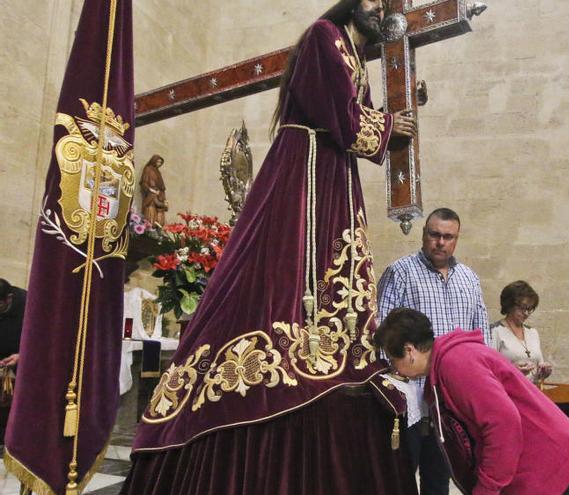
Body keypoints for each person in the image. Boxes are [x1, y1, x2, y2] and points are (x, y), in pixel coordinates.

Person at [122, 1, 419, 493]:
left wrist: (388, 116)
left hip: (331, 175)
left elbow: (348, 117)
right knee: (283, 268)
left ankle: (330, 348)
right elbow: (343, 121)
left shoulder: (356, 54)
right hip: (304, 172)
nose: (376, 7)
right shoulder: (325, 35)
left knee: (332, 270)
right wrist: (388, 126)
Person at [375, 308, 569, 495]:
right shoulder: (445, 365)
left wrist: (488, 489)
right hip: (535, 460)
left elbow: (503, 425)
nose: (395, 369)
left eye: (394, 360)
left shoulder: (456, 364)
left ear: (410, 351)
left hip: (547, 461)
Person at [378, 207, 490, 495]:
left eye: (448, 237)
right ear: (424, 234)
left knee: (440, 481)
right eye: (435, 235)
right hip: (411, 399)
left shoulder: (470, 278)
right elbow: (382, 333)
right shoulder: (400, 272)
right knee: (400, 479)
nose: (441, 242)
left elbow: (482, 338)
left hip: (451, 402)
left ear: (456, 239)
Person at [490, 280, 551, 384]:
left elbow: (538, 369)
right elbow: (489, 370)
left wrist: (544, 371)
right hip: (508, 394)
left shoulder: (533, 332)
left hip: (531, 393)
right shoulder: (495, 331)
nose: (526, 313)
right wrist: (511, 371)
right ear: (510, 305)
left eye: (530, 309)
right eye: (523, 308)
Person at [0, 278, 25, 442]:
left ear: (8, 298)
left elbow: (40, 339)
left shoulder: (28, 305)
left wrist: (21, 355)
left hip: (17, 364)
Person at [139, 154, 168, 225]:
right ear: (154, 161)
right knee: (150, 212)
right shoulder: (148, 169)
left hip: (159, 196)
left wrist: (163, 197)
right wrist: (151, 190)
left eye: (160, 162)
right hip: (151, 196)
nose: (159, 164)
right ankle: (149, 228)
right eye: (158, 162)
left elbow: (162, 187)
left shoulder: (158, 172)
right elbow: (144, 182)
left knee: (160, 215)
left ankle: (157, 229)